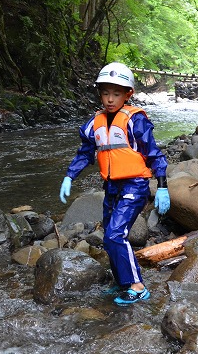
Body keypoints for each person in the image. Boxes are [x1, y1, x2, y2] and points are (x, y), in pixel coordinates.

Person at [59, 62, 170, 305]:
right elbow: (86, 153)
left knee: (115, 235)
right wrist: (70, 175)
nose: (110, 99)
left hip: (135, 185)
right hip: (111, 187)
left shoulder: (134, 121)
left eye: (116, 93)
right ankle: (122, 283)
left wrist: (162, 185)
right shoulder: (93, 124)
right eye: (106, 93)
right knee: (110, 237)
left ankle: (138, 286)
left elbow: (153, 154)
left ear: (128, 94)